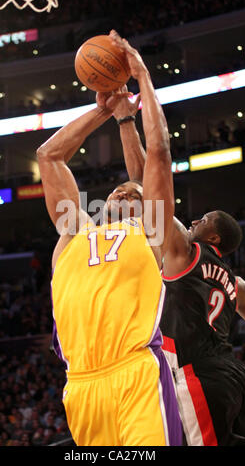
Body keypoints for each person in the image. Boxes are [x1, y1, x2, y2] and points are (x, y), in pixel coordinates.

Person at [36, 30, 182, 446]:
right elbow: (49, 156)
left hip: (135, 373)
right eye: (118, 189)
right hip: (80, 386)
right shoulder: (74, 230)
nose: (123, 191)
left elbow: (158, 151)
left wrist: (142, 76)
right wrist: (104, 107)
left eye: (133, 192)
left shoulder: (151, 230)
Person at [114, 91, 245, 446]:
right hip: (236, 377)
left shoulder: (184, 250)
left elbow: (148, 184)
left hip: (198, 376)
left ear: (213, 234)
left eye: (204, 218)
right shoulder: (237, 285)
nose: (195, 218)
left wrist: (125, 121)